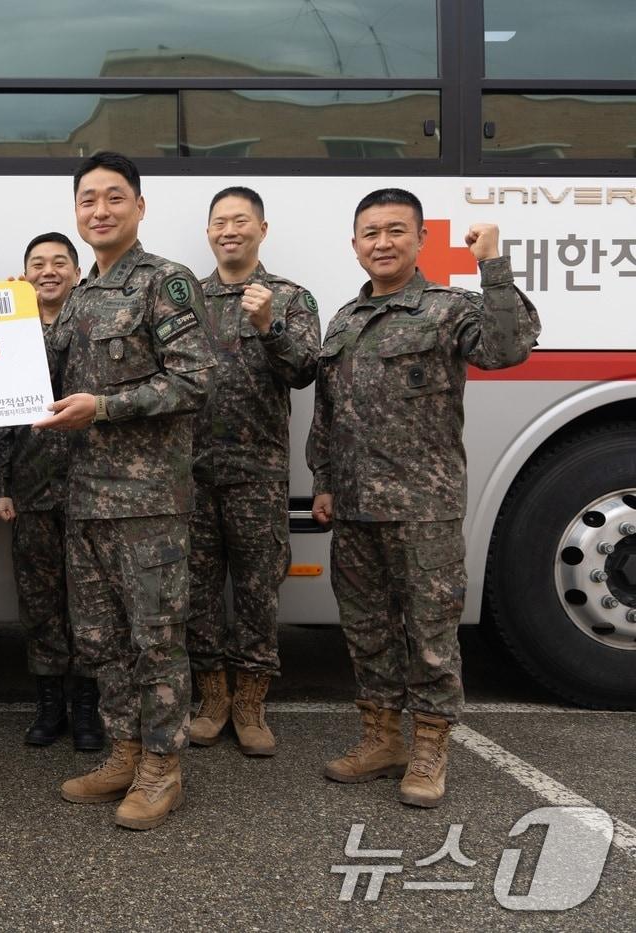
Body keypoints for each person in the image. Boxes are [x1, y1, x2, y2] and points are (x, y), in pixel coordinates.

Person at [309, 188, 539, 807]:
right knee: (366, 629)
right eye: (370, 233)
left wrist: (492, 264)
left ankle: (431, 747)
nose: (381, 243)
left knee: (430, 631)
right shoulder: (343, 321)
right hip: (354, 508)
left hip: (423, 507)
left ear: (419, 240)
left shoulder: (447, 309)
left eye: (394, 231)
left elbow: (508, 347)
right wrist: (323, 480)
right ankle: (382, 739)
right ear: (354, 244)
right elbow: (328, 413)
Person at [36, 151, 215, 831]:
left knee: (156, 638)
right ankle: (124, 751)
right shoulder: (80, 295)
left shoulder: (165, 283)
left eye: (114, 197)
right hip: (86, 500)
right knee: (101, 638)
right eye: (88, 199)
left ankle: (163, 768)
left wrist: (104, 408)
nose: (100, 210)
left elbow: (195, 381)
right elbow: (39, 381)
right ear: (76, 211)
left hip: (149, 505)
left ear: (139, 207)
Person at [184, 187, 320, 756]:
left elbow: (305, 371)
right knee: (197, 591)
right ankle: (212, 697)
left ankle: (250, 703)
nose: (229, 230)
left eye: (241, 221)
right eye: (220, 222)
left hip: (257, 473)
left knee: (259, 590)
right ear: (209, 231)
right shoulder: (184, 297)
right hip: (190, 472)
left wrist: (269, 327)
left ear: (262, 229)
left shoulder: (288, 297)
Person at [0, 232, 103, 750]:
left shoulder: (93, 323)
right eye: (37, 263)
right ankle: (48, 705)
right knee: (40, 604)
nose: (48, 270)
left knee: (89, 604)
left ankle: (87, 708)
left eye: (60, 262)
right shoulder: (8, 333)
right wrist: (2, 486)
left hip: (89, 490)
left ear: (78, 274)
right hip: (32, 490)